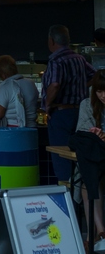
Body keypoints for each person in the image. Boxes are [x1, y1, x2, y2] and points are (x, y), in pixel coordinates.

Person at [43, 24, 95, 183]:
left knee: (61, 156)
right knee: (76, 154)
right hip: (79, 112)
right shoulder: (79, 58)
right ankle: (78, 194)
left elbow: (55, 84)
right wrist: (80, 86)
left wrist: (47, 104)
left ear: (51, 40)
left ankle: (66, 196)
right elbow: (95, 76)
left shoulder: (56, 60)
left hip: (61, 113)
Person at [76, 70, 105, 244]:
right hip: (97, 157)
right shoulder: (87, 105)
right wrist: (95, 134)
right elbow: (82, 132)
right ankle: (99, 232)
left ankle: (95, 235)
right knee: (87, 178)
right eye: (99, 91)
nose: (102, 96)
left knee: (88, 178)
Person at [0, 55, 38, 128]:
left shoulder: (6, 86)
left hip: (13, 130)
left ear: (3, 75)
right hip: (32, 128)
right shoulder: (31, 83)